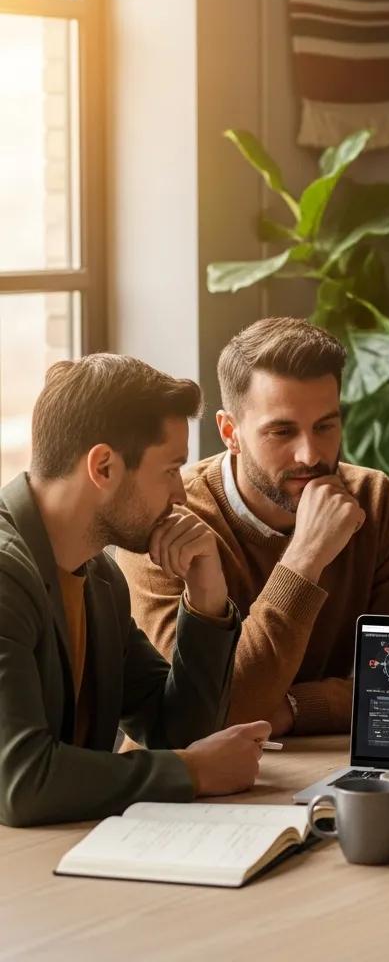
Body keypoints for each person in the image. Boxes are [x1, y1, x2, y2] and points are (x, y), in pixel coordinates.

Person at [119, 317, 389, 737]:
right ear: (229, 432)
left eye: (325, 426)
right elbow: (205, 718)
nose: (310, 455)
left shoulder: (372, 499)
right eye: (282, 431)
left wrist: (297, 706)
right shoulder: (167, 518)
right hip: (186, 791)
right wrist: (304, 558)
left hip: (325, 768)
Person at [0, 354, 269, 827]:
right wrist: (196, 771)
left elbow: (174, 730)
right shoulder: (5, 577)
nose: (181, 496)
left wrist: (205, 600)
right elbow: (21, 782)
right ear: (103, 467)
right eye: (170, 470)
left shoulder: (100, 578)